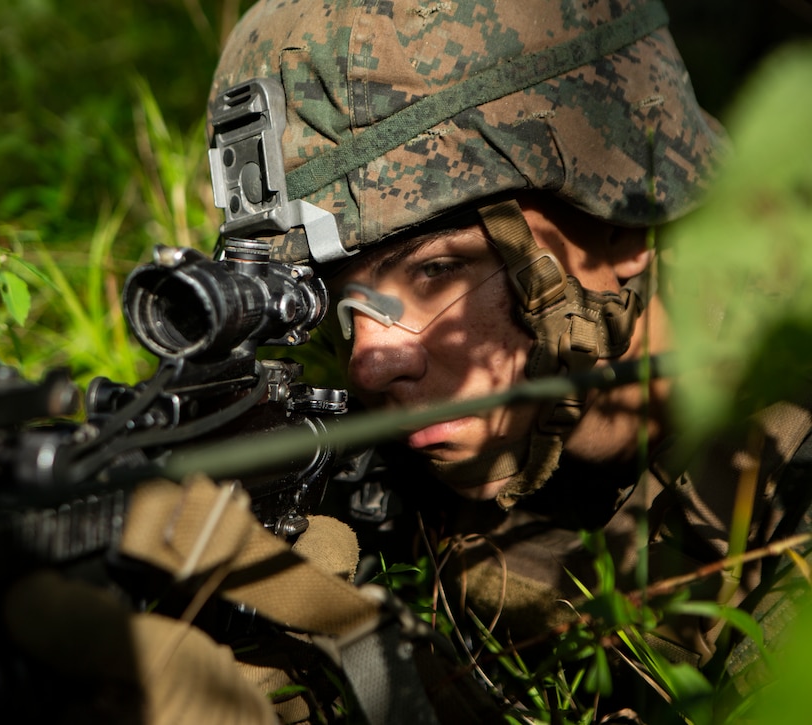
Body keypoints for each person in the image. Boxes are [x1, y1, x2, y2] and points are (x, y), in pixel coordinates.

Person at [200, 0, 812, 720]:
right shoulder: (373, 458)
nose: (368, 364)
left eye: (434, 271)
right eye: (333, 304)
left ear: (624, 203)